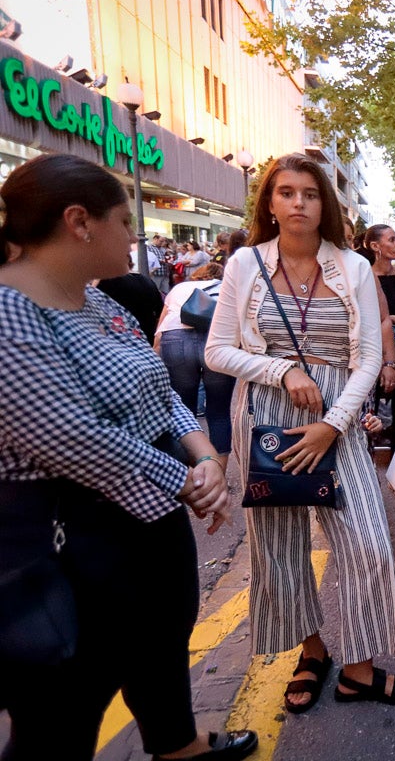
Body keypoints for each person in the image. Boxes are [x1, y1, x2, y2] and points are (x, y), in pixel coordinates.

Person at [0, 154, 255, 761]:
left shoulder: (101, 303)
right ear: (78, 222)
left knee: (159, 648)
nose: (133, 236)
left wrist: (206, 458)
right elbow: (72, 438)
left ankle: (179, 744)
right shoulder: (11, 317)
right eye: (123, 220)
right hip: (70, 543)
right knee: (61, 708)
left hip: (148, 521)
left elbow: (162, 388)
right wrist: (189, 480)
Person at [205, 153, 395, 714]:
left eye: (309, 193)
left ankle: (359, 668)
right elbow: (218, 350)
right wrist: (281, 369)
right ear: (269, 204)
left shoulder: (350, 265)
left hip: (338, 416)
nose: (298, 202)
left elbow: (370, 359)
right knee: (279, 551)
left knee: (368, 543)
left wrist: (331, 424)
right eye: (286, 192)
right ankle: (312, 650)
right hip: (268, 416)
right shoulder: (244, 265)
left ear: (325, 203)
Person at [155, 263, 238, 457]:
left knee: (183, 410)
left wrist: (155, 354)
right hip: (217, 341)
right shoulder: (228, 288)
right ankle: (220, 476)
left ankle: (192, 472)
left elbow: (160, 329)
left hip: (175, 339)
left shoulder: (179, 288)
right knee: (219, 410)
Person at [359, 225, 395, 451]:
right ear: (376, 246)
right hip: (373, 349)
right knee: (371, 408)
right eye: (392, 239)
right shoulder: (366, 276)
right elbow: (368, 314)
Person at [97, 257, 166, 340]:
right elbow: (159, 313)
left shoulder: (106, 282)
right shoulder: (148, 281)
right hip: (147, 337)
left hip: (121, 339)